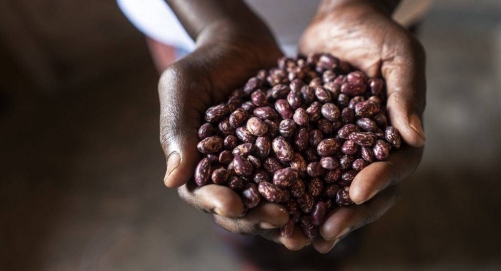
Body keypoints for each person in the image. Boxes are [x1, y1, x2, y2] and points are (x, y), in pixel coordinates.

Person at [119, 0, 427, 269]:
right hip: (193, 18)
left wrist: (363, 4)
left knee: (353, 207)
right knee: (242, 215)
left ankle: (334, 256)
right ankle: (260, 260)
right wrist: (219, 24)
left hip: (373, 22)